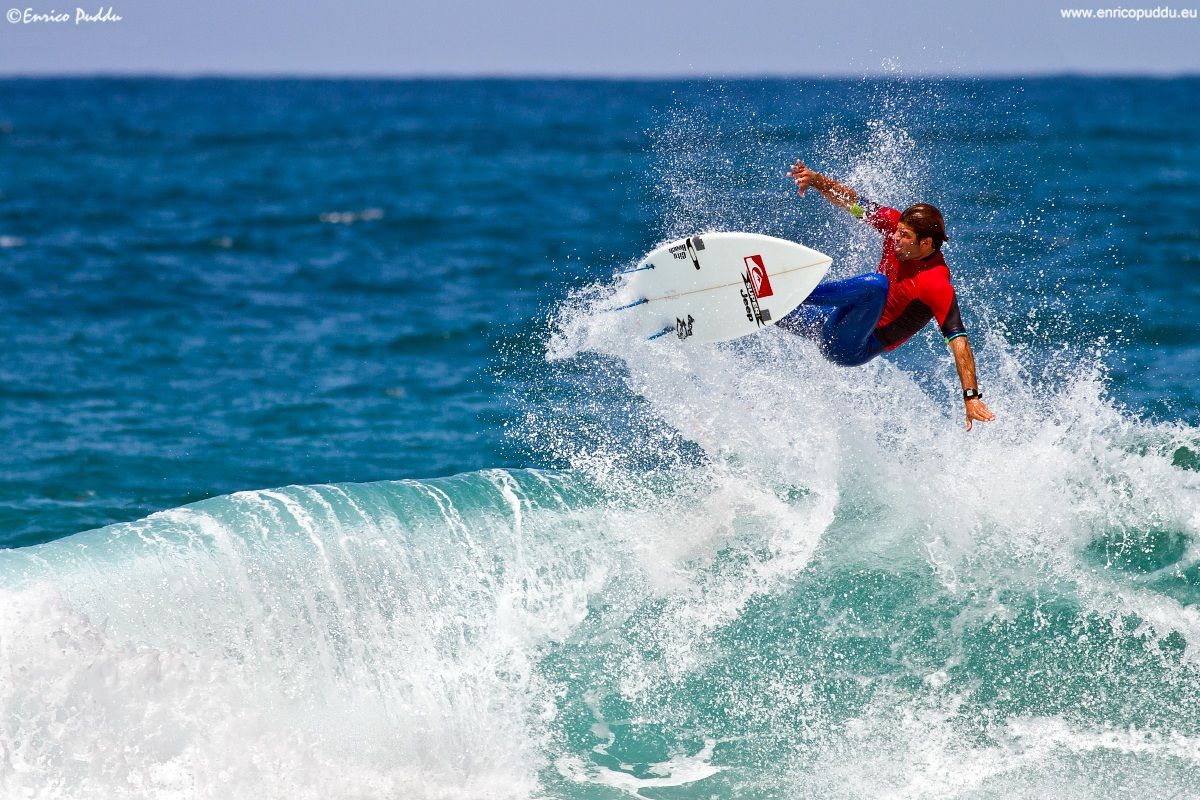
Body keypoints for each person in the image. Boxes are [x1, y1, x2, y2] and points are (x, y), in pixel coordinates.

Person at [780, 159, 996, 431]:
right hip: (836, 321)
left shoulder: (935, 283)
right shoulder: (894, 225)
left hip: (852, 347)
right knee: (774, 311)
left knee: (875, 285)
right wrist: (815, 180)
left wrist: (971, 397)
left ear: (926, 243)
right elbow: (853, 203)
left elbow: (959, 342)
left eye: (904, 235)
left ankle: (791, 292)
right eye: (897, 230)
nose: (894, 236)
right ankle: (764, 304)